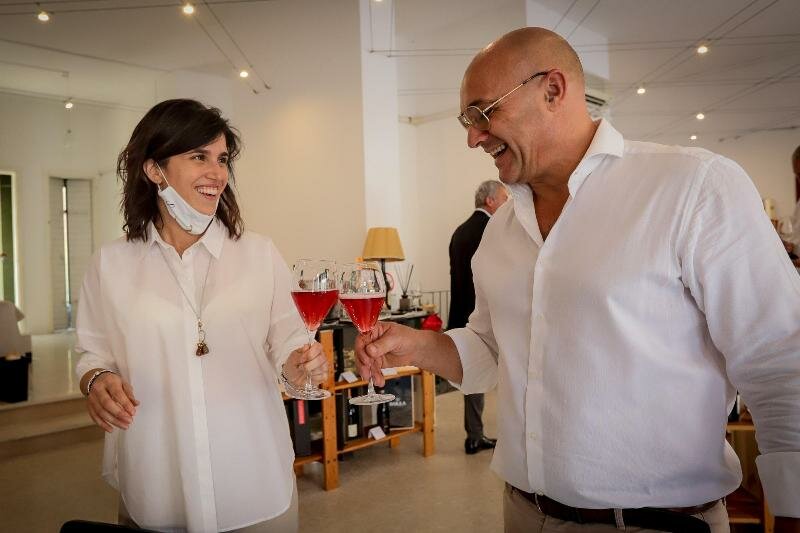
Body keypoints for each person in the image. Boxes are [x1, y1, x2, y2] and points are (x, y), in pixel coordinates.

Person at [356, 28, 800, 533]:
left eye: (483, 113)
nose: (473, 138)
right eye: (467, 121)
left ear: (552, 90)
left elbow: (780, 359)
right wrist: (415, 345)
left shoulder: (692, 187)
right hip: (524, 514)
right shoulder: (499, 231)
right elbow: (491, 348)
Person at [75, 99, 327, 533]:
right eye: (199, 157)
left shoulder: (259, 254)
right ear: (154, 169)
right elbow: (91, 353)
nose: (217, 173)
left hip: (253, 481)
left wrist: (301, 365)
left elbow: (289, 343)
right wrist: (96, 380)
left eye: (222, 159)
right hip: (157, 484)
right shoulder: (110, 264)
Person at [448, 180, 507, 454]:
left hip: (460, 312)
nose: (508, 204)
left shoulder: (459, 232)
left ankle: (474, 434)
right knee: (503, 375)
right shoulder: (493, 229)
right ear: (490, 201)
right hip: (485, 316)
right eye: (504, 198)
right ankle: (500, 436)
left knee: (472, 375)